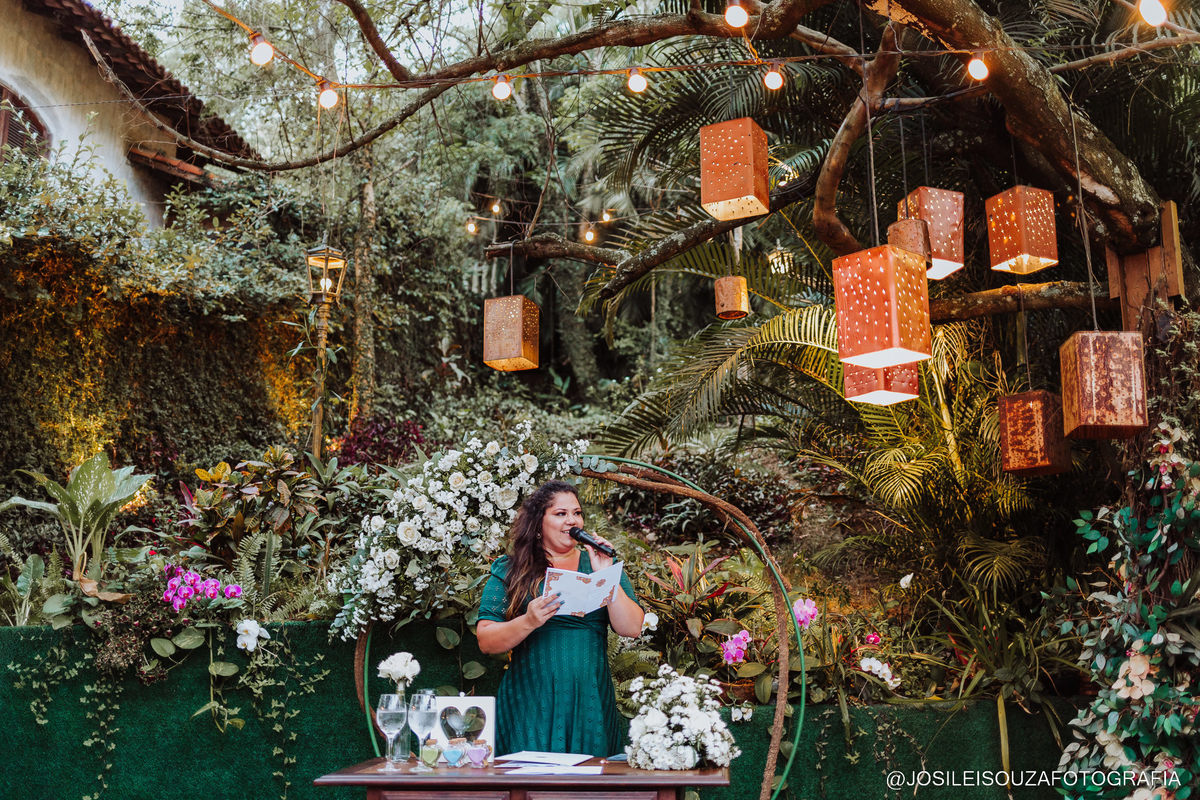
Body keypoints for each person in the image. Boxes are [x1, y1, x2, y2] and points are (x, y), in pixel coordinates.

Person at [476, 479, 644, 757]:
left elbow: (632, 627)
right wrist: (528, 621)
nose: (572, 521)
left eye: (577, 513)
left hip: (589, 700)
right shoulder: (511, 568)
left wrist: (606, 576)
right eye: (560, 514)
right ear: (538, 522)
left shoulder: (600, 564)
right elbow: (486, 640)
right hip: (530, 700)